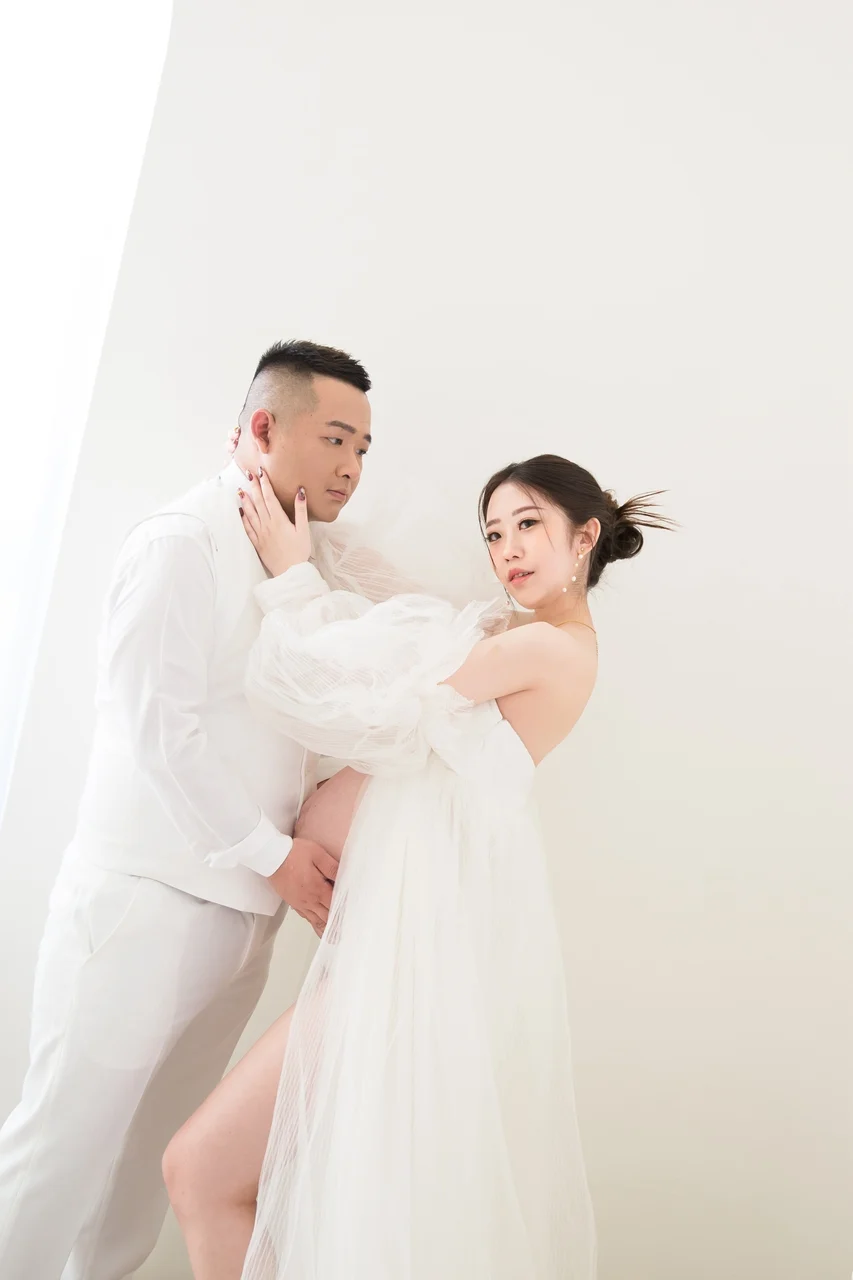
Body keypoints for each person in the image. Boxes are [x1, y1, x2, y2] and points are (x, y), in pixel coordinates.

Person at [163, 453, 673, 1279]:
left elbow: (375, 691)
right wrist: (310, 521)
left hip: (403, 965)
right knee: (229, 1183)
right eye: (493, 533)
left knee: (201, 1171)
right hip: (384, 952)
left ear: (584, 537)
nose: (506, 548)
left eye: (528, 525)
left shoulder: (552, 651)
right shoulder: (500, 632)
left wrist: (292, 582)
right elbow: (393, 609)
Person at [0, 339, 378, 1280]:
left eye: (364, 449)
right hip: (144, 902)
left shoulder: (308, 557)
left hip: (241, 920)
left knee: (147, 1167)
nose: (352, 467)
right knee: (59, 1151)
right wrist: (275, 856)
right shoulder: (180, 540)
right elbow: (158, 732)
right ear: (263, 428)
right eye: (336, 439)